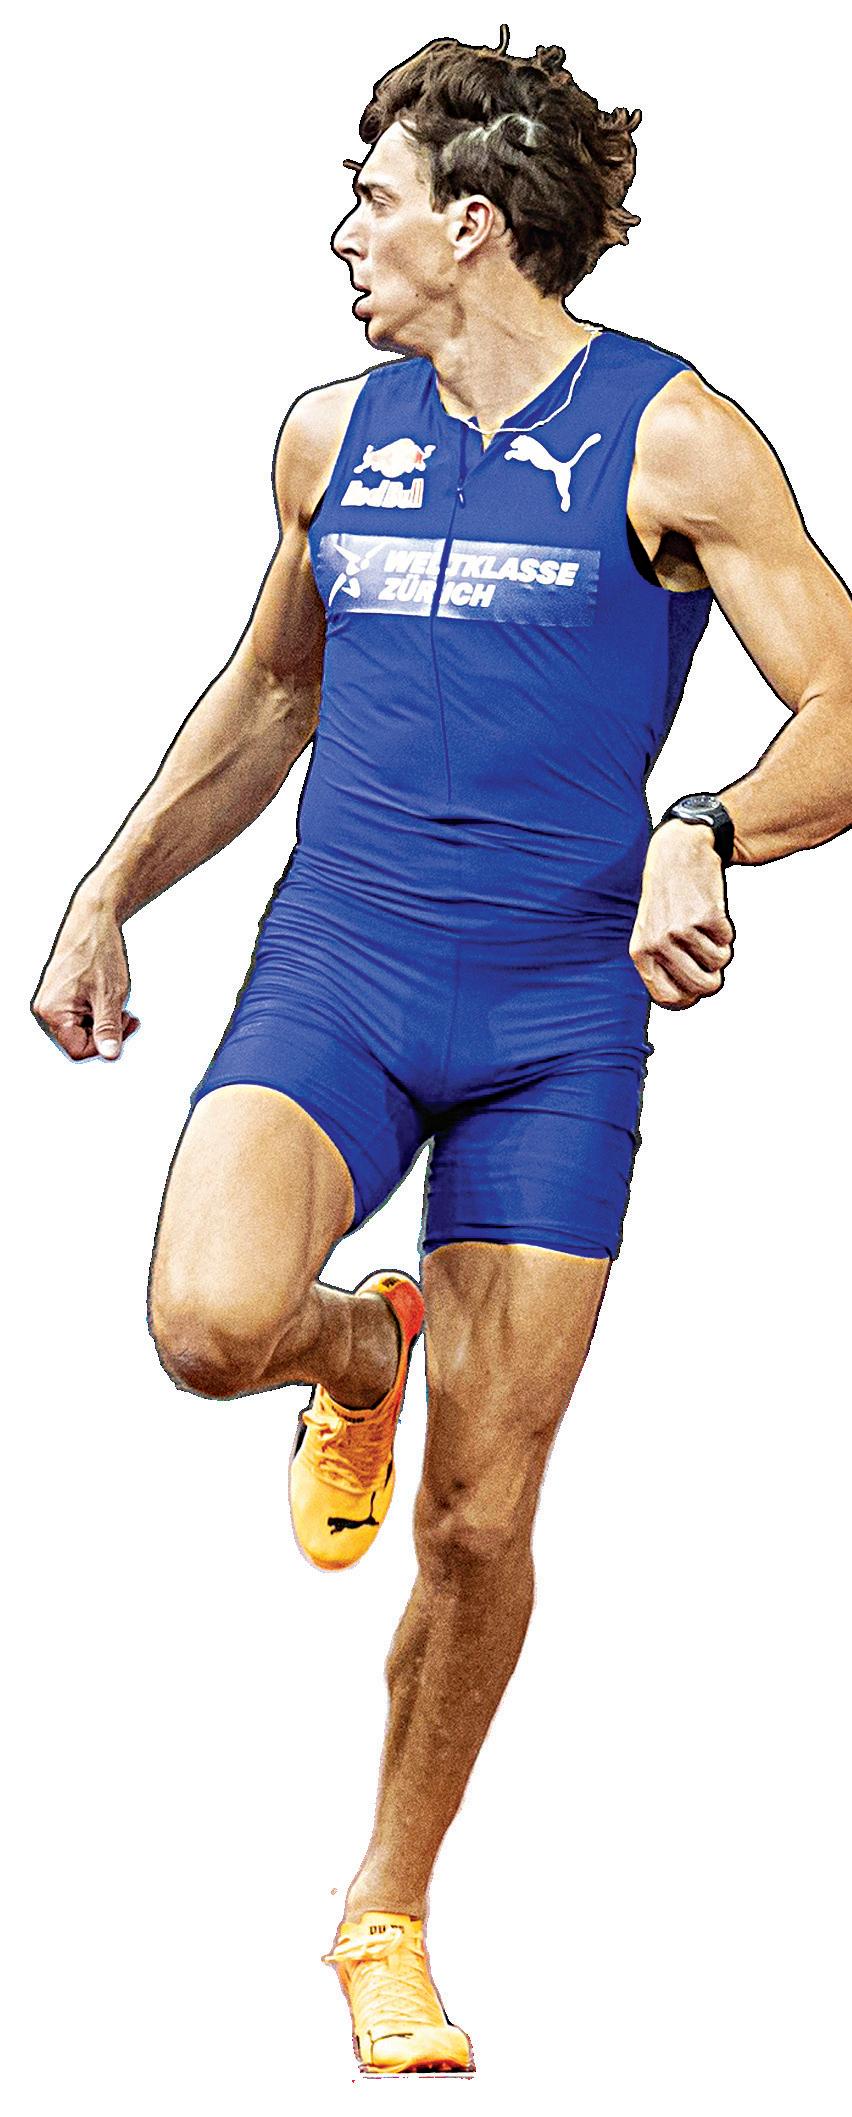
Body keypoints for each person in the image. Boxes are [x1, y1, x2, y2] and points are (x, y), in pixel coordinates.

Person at [30, 25, 852, 2079]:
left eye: (372, 200)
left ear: (471, 227)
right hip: (344, 970)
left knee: (479, 1521)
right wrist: (109, 889)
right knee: (209, 1324)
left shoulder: (678, 439)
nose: (346, 235)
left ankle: (384, 1909)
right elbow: (267, 698)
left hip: (556, 1021)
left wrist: (711, 825)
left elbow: (849, 698)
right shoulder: (329, 436)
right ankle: (357, 1348)